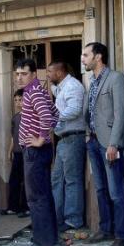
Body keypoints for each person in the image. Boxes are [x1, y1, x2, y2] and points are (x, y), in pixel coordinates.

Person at [81, 41, 124, 246]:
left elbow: (121, 113)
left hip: (109, 143)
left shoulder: (116, 78)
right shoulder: (92, 81)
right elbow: (91, 111)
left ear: (98, 56)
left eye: (86, 55)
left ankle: (122, 235)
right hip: (93, 140)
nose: (83, 59)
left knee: (116, 190)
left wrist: (113, 143)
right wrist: (87, 136)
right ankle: (106, 229)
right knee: (101, 188)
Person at [15, 58, 59, 246]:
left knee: (36, 198)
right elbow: (56, 114)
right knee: (44, 195)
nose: (19, 77)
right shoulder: (38, 91)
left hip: (36, 151)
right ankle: (49, 237)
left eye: (24, 74)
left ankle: (42, 242)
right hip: (40, 151)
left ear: (33, 74)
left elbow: (48, 117)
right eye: (17, 74)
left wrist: (41, 139)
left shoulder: (33, 93)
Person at [47, 61, 86, 232]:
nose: (47, 75)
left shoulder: (73, 86)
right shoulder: (62, 87)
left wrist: (52, 119)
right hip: (63, 140)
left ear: (60, 72)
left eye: (50, 72)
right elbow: (56, 91)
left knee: (72, 180)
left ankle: (73, 220)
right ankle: (56, 218)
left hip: (73, 138)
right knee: (57, 180)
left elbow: (75, 109)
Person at [3, 89, 28, 217]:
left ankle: (25, 207)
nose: (18, 103)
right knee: (14, 180)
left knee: (26, 180)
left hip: (27, 152)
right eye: (16, 100)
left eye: (21, 100)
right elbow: (13, 136)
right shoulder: (15, 118)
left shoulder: (30, 116)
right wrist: (10, 150)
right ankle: (13, 207)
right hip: (17, 153)